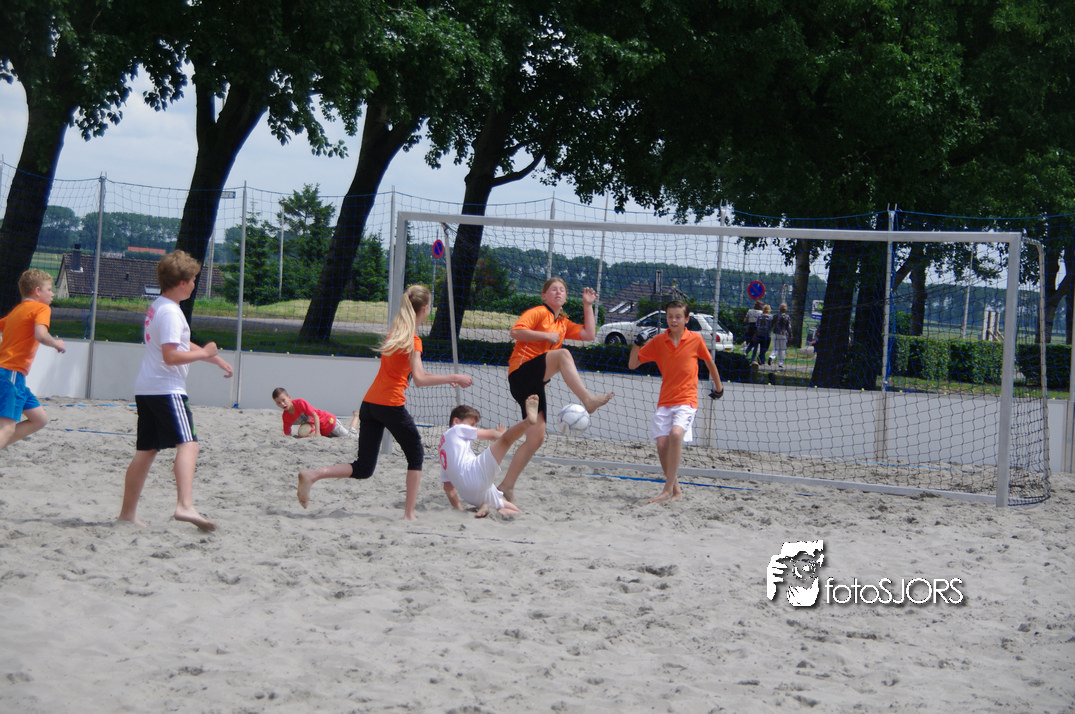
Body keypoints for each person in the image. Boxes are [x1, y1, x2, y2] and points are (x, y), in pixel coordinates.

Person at [296, 285, 473, 520]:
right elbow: (420, 379)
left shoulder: (395, 334)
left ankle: (313, 475)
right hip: (390, 405)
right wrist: (455, 376)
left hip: (370, 404)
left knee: (363, 468)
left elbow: (411, 374)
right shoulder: (413, 340)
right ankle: (409, 514)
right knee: (416, 455)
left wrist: (448, 378)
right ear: (425, 309)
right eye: (430, 304)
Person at [117, 251, 233, 531]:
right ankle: (184, 505)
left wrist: (212, 358)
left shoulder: (160, 306)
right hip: (166, 389)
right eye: (193, 280)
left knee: (146, 451)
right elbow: (171, 356)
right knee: (189, 444)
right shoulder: (170, 311)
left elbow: (178, 343)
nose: (194, 285)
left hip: (148, 388)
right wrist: (204, 352)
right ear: (182, 282)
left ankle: (127, 515)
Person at [498, 278, 614, 504]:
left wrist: (588, 305)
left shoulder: (562, 322)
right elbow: (515, 332)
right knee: (563, 355)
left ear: (566, 296)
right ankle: (588, 400)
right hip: (521, 373)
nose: (558, 292)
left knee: (536, 439)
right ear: (544, 295)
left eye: (562, 289)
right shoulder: (538, 312)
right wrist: (544, 336)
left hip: (534, 385)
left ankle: (506, 486)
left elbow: (589, 335)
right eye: (553, 289)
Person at [629, 300, 724, 504]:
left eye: (678, 317)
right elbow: (633, 364)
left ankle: (666, 490)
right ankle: (676, 491)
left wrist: (719, 388)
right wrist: (637, 344)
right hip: (665, 401)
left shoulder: (695, 339)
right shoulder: (658, 341)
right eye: (670, 316)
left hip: (687, 400)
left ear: (686, 319)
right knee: (662, 445)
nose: (673, 320)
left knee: (675, 434)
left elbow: (710, 363)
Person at [440, 395, 540, 518]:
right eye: (472, 424)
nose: (474, 428)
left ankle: (487, 507)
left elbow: (448, 488)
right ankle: (528, 422)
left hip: (468, 494)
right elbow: (490, 434)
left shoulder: (443, 450)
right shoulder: (456, 429)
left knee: (514, 510)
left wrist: (460, 509)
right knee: (506, 440)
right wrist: (501, 435)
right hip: (473, 474)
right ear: (456, 422)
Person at [0, 269, 67, 452]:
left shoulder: (17, 311)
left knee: (39, 419)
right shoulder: (41, 308)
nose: (52, 294)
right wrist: (56, 343)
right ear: (37, 291)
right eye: (49, 289)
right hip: (11, 373)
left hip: (10, 375)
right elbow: (40, 334)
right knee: (7, 427)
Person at [272, 387, 359, 439]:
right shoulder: (286, 417)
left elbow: (315, 416)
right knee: (348, 434)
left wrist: (317, 433)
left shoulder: (300, 403)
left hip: (329, 422)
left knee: (352, 437)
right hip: (324, 432)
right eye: (278, 403)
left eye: (283, 400)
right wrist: (286, 436)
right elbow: (288, 433)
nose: (282, 404)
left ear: (289, 397)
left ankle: (356, 416)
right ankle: (355, 418)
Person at [770, 303, 792, 368]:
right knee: (782, 349)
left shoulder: (775, 316)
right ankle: (780, 363)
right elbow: (789, 327)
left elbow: (771, 324)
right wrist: (790, 335)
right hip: (783, 334)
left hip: (776, 333)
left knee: (776, 347)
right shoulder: (787, 317)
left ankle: (771, 357)